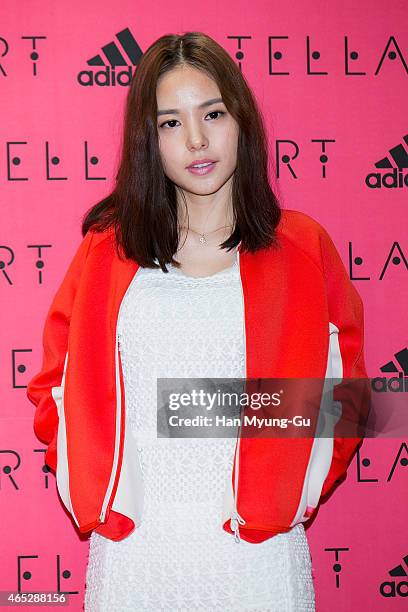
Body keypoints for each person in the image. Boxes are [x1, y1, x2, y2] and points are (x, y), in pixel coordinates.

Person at [27, 31, 369, 611]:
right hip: (135, 561)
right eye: (169, 123)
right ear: (149, 141)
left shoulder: (302, 248)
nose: (195, 139)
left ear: (241, 121)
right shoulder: (107, 251)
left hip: (257, 561)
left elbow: (348, 398)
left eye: (212, 113)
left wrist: (286, 494)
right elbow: (56, 389)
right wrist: (95, 492)